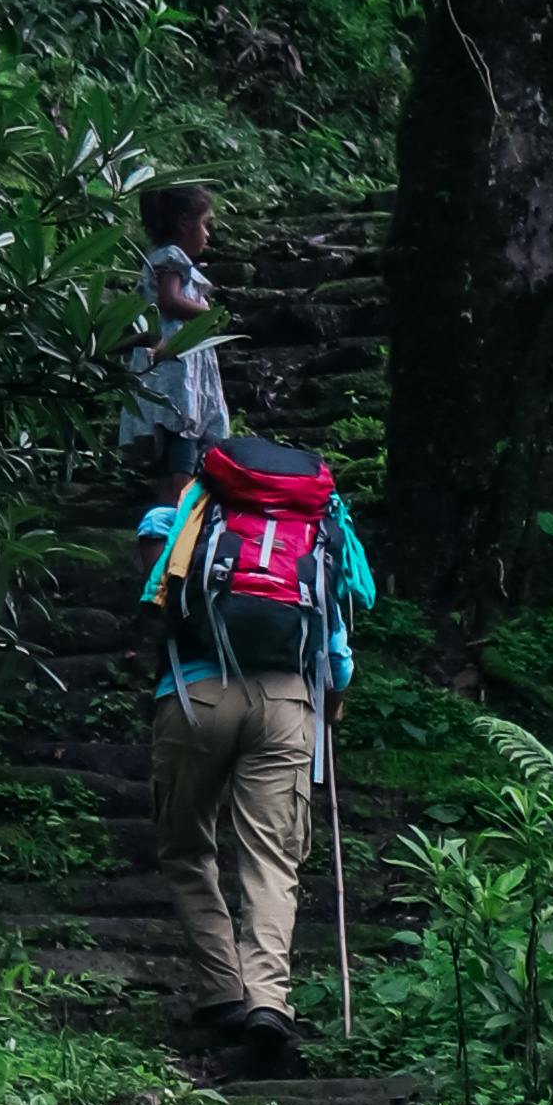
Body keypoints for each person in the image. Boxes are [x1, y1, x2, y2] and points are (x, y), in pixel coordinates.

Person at [141, 425, 370, 1066]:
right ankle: (269, 998)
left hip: (195, 694)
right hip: (287, 704)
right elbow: (339, 647)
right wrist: (330, 701)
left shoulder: (194, 512)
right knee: (272, 860)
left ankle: (222, 989)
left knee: (188, 846)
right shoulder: (318, 530)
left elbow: (154, 580)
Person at [118, 179, 226, 489]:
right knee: (183, 428)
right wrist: (211, 316)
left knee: (172, 435)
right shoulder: (172, 258)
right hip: (174, 361)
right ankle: (178, 503)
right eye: (204, 224)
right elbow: (169, 301)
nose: (207, 234)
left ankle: (166, 505)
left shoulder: (161, 257)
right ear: (184, 223)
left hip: (165, 360)